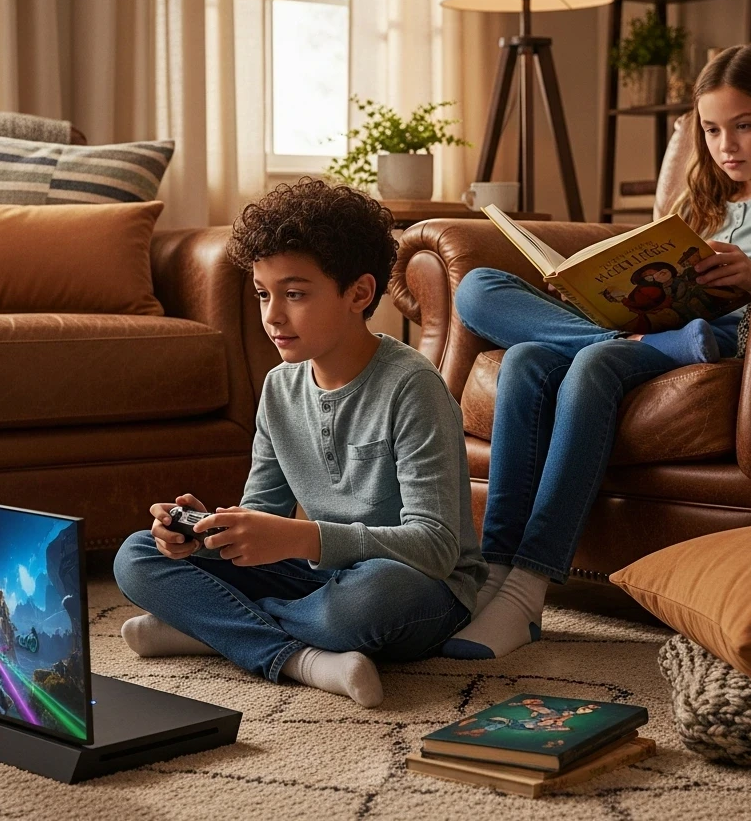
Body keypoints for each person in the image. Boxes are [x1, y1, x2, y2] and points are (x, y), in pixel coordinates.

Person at [444, 42, 751, 660]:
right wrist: (586, 288)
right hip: (655, 334)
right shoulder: (701, 202)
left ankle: (524, 592)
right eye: (711, 131)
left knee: (595, 365)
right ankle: (492, 573)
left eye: (744, 126)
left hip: (724, 338)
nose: (726, 145)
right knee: (483, 298)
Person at [113, 178, 487, 708]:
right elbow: (262, 512)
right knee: (136, 556)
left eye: (295, 294)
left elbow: (434, 545)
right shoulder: (279, 387)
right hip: (319, 575)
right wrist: (209, 531)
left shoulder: (411, 386)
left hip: (417, 586)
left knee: (359, 605)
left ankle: (210, 630)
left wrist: (302, 539)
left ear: (358, 293)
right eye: (264, 294)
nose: (272, 316)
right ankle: (301, 658)